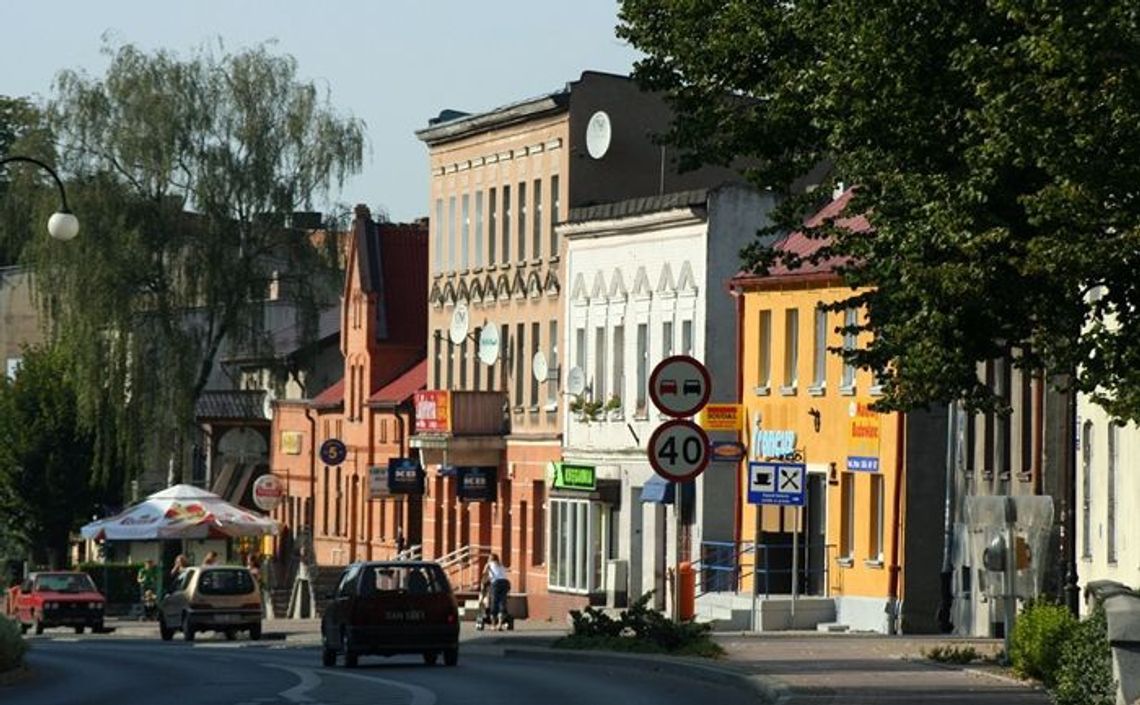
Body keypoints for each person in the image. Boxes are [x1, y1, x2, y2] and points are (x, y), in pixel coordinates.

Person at [484, 553, 510, 631]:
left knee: (494, 603)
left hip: (496, 583)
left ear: (490, 559)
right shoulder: (501, 565)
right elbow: (505, 572)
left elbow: (484, 573)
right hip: (505, 583)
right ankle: (500, 624)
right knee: (502, 602)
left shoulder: (489, 564)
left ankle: (493, 624)